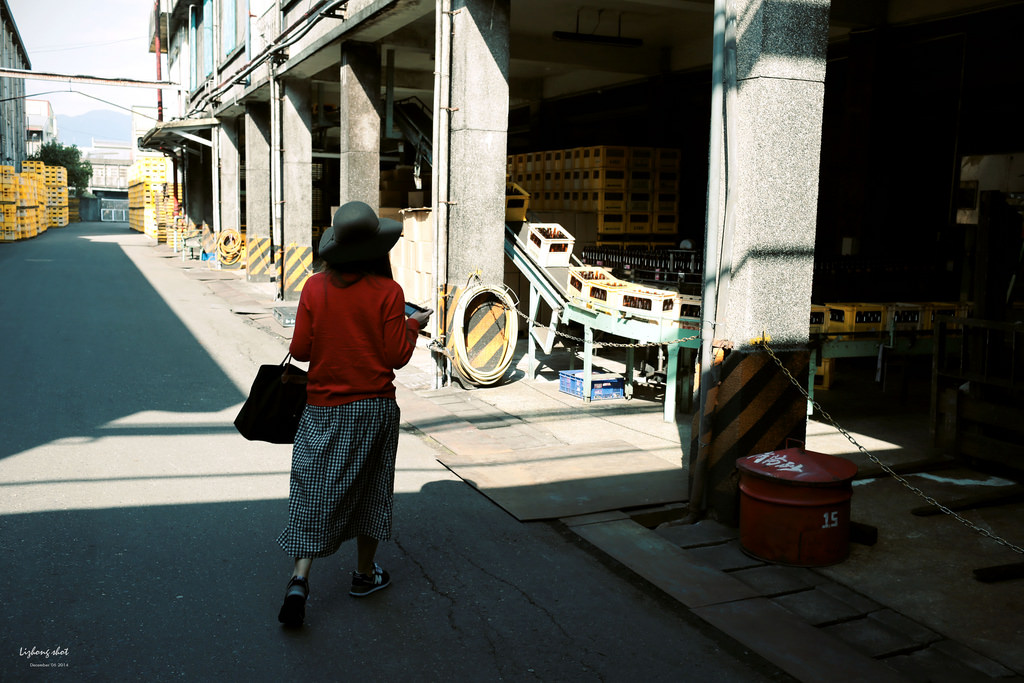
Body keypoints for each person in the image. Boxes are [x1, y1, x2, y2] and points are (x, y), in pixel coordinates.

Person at [277, 200, 432, 627]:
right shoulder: (389, 293)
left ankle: (299, 579)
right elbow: (397, 356)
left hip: (322, 408)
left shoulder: (314, 288)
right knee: (371, 490)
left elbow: (300, 351)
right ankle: (364, 575)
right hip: (373, 410)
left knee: (313, 489)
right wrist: (413, 325)